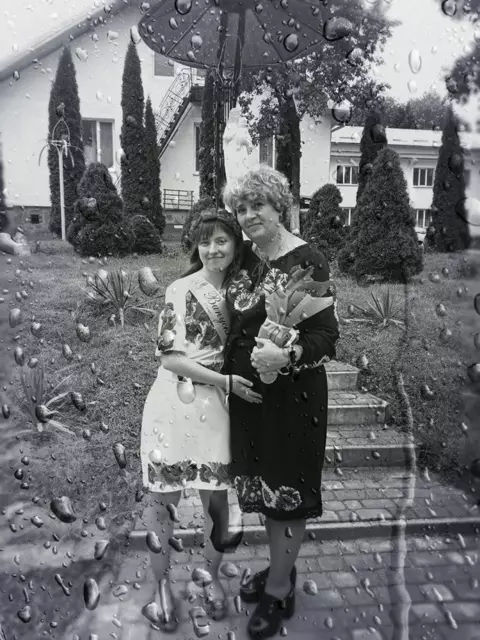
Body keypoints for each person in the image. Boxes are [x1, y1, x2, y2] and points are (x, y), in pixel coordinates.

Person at [222, 166, 340, 639]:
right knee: (265, 494)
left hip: (294, 401)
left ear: (280, 207)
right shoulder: (244, 259)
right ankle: (281, 570)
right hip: (249, 400)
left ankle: (277, 592)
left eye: (258, 206)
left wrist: (287, 354)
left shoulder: (308, 261)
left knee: (287, 497)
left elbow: (327, 337)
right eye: (242, 209)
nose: (249, 215)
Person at [139, 209, 262, 633]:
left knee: (217, 502)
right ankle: (161, 587)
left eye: (221, 240)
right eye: (204, 241)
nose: (212, 249)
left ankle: (210, 579)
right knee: (163, 500)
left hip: (216, 411)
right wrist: (225, 381)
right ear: (195, 246)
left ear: (236, 244)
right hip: (172, 405)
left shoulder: (245, 294)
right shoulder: (180, 289)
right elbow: (170, 358)